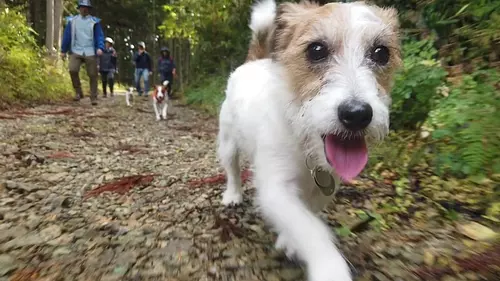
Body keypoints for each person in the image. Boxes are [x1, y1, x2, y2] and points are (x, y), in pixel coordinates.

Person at [60, 0, 105, 106]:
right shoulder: (73, 21)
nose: (84, 9)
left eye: (86, 8)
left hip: (90, 50)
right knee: (73, 69)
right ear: (79, 8)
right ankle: (78, 91)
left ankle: (93, 97)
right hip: (76, 49)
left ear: (89, 9)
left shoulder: (94, 22)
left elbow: (99, 36)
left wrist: (100, 47)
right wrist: (63, 50)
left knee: (93, 74)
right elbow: (67, 36)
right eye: (82, 7)